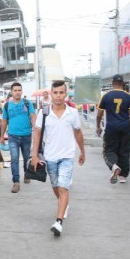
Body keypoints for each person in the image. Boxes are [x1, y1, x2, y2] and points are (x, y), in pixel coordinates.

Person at [31, 80, 85, 236]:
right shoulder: (44, 112)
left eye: (62, 92)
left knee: (63, 187)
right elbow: (37, 133)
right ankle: (64, 203)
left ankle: (58, 222)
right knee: (55, 186)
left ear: (66, 94)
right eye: (56, 92)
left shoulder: (72, 113)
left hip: (67, 156)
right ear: (51, 94)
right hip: (50, 156)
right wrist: (34, 155)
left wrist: (82, 151)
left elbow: (78, 132)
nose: (58, 96)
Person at [96, 74, 130, 184]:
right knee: (124, 150)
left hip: (111, 127)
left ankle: (114, 166)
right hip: (125, 127)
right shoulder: (129, 97)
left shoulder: (106, 96)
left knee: (109, 150)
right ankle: (123, 176)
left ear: (112, 82)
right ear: (123, 83)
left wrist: (98, 126)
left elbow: (99, 114)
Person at [0, 82, 36, 193]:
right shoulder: (7, 106)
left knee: (26, 158)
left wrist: (36, 131)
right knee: (14, 158)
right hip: (13, 137)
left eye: (19, 90)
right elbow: (4, 121)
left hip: (26, 136)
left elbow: (33, 117)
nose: (17, 92)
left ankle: (26, 174)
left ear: (22, 91)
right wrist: (1, 136)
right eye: (15, 90)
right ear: (11, 92)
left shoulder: (27, 103)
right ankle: (16, 182)